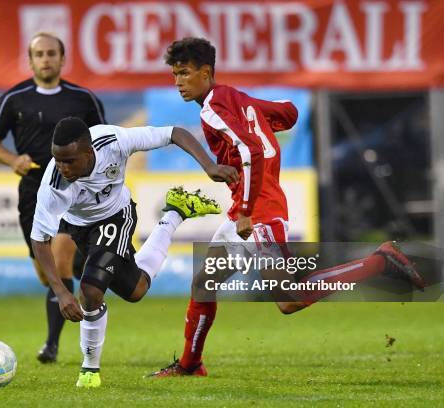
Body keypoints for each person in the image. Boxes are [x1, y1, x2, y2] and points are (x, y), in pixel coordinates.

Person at [148, 37, 426, 377]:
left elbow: (250, 150)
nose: (178, 82)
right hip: (248, 205)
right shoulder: (234, 97)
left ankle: (379, 261)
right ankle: (190, 365)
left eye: (185, 73)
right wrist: (261, 122)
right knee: (205, 282)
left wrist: (247, 209)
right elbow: (289, 112)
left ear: (206, 72)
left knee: (289, 299)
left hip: (258, 209)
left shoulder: (213, 108)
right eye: (175, 74)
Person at [30, 117, 239, 388]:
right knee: (136, 290)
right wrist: (60, 292)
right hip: (78, 226)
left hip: (116, 216)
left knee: (90, 291)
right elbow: (40, 240)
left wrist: (209, 166)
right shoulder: (54, 185)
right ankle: (175, 213)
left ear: (89, 152)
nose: (62, 167)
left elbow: (174, 132)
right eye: (57, 159)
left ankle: (89, 372)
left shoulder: (114, 141)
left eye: (69, 161)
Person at [0, 32, 106, 364]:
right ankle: (86, 268)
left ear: (63, 59)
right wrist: (13, 160)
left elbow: (103, 142)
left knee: (61, 256)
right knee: (46, 271)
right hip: (33, 190)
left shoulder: (84, 99)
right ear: (31, 60)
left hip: (73, 189)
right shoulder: (14, 99)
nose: (46, 59)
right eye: (40, 54)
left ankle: (51, 345)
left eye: (52, 53)